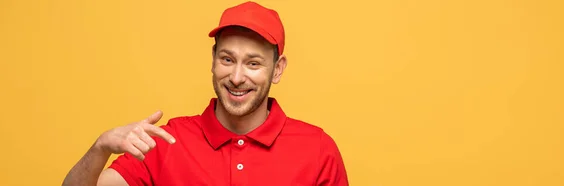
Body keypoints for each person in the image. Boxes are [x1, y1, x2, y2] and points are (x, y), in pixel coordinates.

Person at [61, 1, 349, 186]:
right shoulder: (164, 142)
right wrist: (100, 148)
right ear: (213, 59)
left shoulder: (318, 150)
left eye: (253, 63)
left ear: (277, 69)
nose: (237, 77)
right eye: (227, 59)